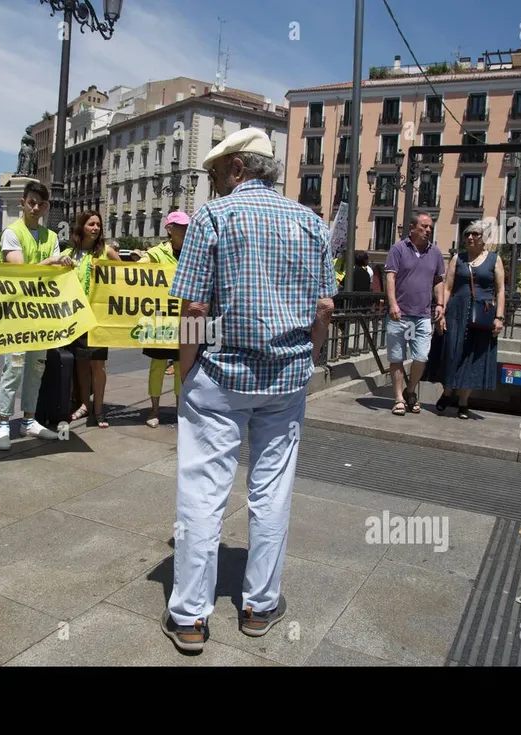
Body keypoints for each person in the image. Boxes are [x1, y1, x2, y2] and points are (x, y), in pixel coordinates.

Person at [162, 128, 336, 653]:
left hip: (220, 376)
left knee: (202, 491)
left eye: (215, 173)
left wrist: (184, 372)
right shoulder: (311, 223)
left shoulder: (213, 219)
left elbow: (194, 311)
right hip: (285, 379)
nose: (212, 184)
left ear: (237, 169)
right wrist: (310, 354)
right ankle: (260, 605)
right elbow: (325, 309)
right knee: (272, 491)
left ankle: (191, 616)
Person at [0, 181, 68, 450]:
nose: (36, 207)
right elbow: (20, 273)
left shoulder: (51, 237)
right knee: (13, 367)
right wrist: (49, 263)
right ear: (22, 203)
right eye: (32, 202)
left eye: (41, 204)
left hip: (42, 315)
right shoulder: (12, 233)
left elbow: (57, 274)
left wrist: (60, 266)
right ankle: (3, 423)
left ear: (46, 207)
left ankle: (29, 419)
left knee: (37, 368)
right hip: (16, 315)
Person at [433, 221, 505, 418]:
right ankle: (448, 391)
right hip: (456, 312)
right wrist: (442, 309)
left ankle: (464, 402)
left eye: (475, 234)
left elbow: (500, 290)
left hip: (482, 315)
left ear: (484, 238)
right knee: (452, 353)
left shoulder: (494, 260)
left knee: (474, 359)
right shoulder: (458, 259)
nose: (471, 238)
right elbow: (447, 287)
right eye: (468, 235)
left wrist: (499, 317)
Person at [384, 212, 445, 417]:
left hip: (423, 315)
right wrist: (393, 304)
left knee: (421, 357)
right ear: (412, 227)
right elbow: (390, 278)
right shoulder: (398, 249)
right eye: (424, 226)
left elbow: (438, 280)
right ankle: (399, 398)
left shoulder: (435, 253)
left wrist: (440, 304)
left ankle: (410, 390)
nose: (428, 230)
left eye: (430, 227)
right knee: (396, 357)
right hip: (399, 314)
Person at [65, 210, 121, 428]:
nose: (95, 228)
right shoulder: (70, 253)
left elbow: (127, 273)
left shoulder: (106, 252)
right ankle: (84, 404)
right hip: (76, 318)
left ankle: (99, 410)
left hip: (99, 319)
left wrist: (108, 269)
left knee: (98, 365)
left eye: (98, 224)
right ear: (81, 227)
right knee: (81, 364)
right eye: (91, 224)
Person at [138, 211, 188, 427]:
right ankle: (154, 410)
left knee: (181, 365)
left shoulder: (192, 252)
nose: (185, 230)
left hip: (185, 318)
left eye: (187, 226)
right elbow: (142, 264)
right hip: (159, 317)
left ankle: (180, 410)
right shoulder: (158, 252)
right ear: (169, 229)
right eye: (180, 226)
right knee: (158, 365)